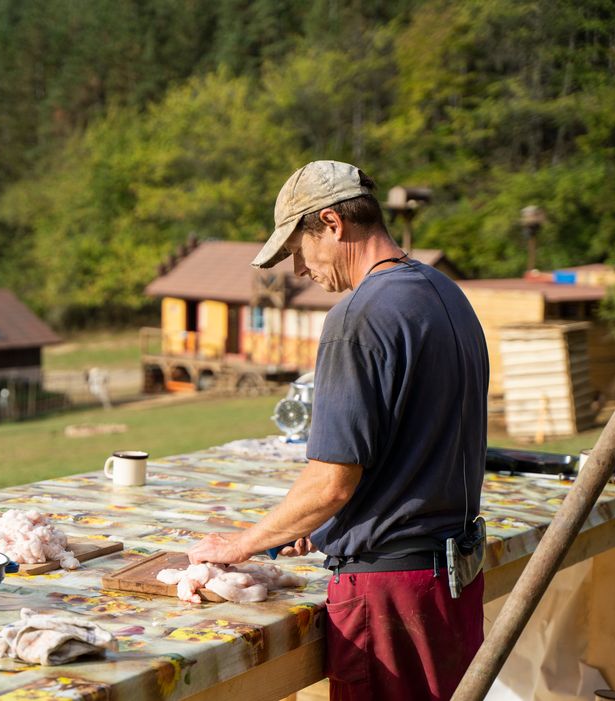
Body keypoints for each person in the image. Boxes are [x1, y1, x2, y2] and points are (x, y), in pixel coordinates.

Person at [188, 160, 489, 701]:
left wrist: (240, 545)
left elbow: (331, 482)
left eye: (298, 251)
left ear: (331, 222)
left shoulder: (357, 315)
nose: (299, 270)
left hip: (390, 595)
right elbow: (408, 443)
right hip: (450, 580)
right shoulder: (445, 293)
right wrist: (325, 525)